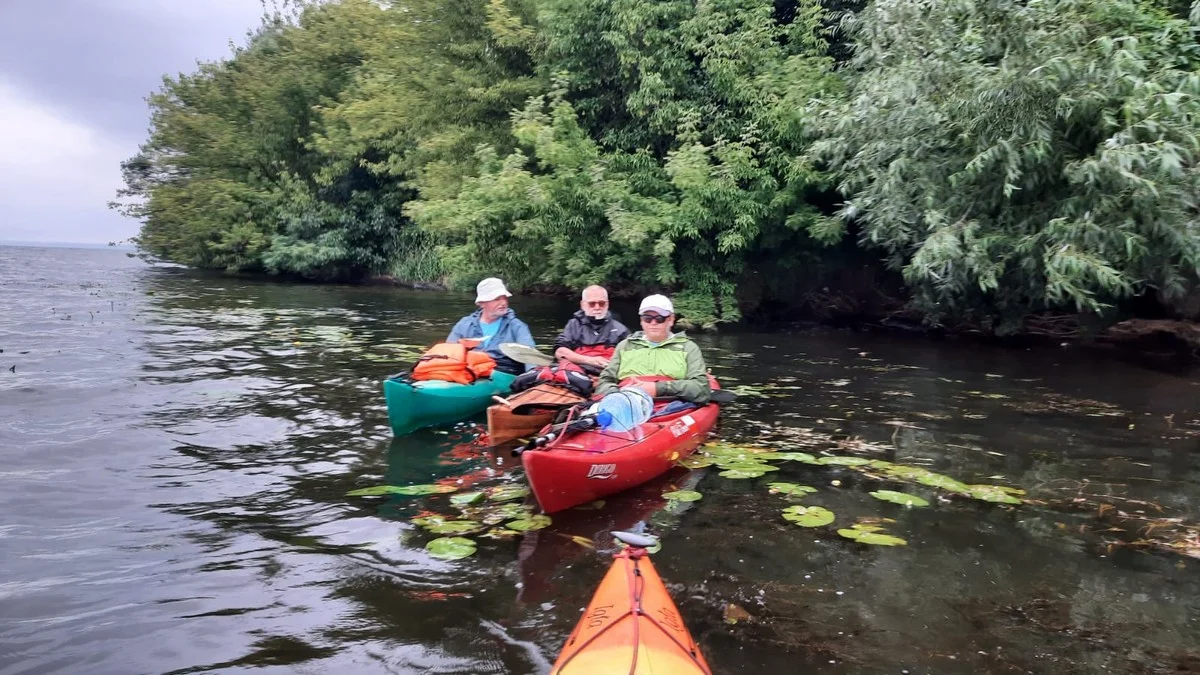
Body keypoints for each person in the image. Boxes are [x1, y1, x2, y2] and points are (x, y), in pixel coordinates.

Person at [596, 294, 711, 404]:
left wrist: (658, 388)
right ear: (641, 321)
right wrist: (616, 394)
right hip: (627, 402)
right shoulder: (624, 346)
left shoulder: (688, 348)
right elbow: (605, 381)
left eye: (659, 318)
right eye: (647, 318)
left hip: (673, 405)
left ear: (670, 320)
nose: (653, 323)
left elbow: (701, 388)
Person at [446, 277, 535, 375]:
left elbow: (530, 356)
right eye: (496, 299)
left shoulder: (517, 326)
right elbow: (449, 352)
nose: (503, 303)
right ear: (481, 303)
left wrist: (532, 373)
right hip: (470, 373)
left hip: (503, 374)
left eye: (504, 298)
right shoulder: (464, 324)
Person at [553, 285, 631, 375]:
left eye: (601, 303)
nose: (597, 307)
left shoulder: (621, 330)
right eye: (592, 303)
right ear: (583, 305)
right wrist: (589, 360)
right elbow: (560, 352)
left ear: (607, 304)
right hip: (577, 371)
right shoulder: (573, 325)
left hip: (607, 372)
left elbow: (631, 358)